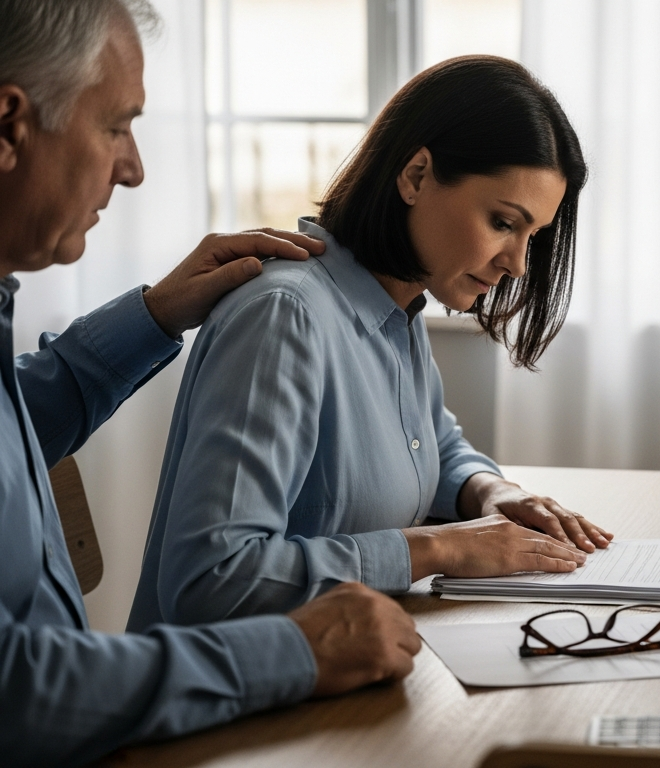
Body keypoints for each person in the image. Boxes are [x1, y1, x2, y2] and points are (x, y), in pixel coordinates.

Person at [0, 2, 422, 765]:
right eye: (116, 126)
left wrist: (155, 315)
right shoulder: (289, 310)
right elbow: (13, 693)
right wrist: (296, 650)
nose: (133, 169)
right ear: (8, 126)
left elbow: (12, 417)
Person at [128, 56, 614, 631]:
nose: (516, 263)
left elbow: (429, 445)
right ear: (415, 177)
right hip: (225, 708)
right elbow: (213, 580)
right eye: (504, 223)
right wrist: (442, 549)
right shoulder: (284, 318)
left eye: (533, 236)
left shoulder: (397, 309)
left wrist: (490, 492)